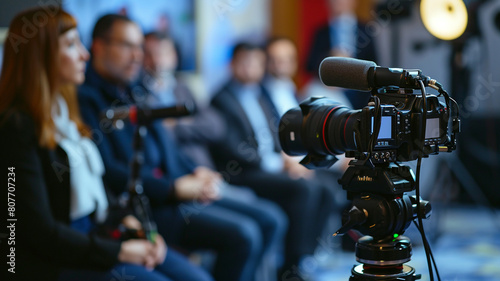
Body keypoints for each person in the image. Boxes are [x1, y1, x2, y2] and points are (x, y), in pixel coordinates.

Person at [0, 7, 212, 281]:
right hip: (57, 260)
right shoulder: (15, 127)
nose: (84, 54)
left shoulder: (65, 113)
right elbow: (36, 232)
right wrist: (118, 251)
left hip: (96, 237)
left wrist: (135, 227)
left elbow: (99, 191)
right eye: (71, 45)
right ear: (40, 55)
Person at [78, 15, 283, 281]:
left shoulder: (133, 90)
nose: (137, 56)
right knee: (244, 234)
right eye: (127, 46)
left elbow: (169, 144)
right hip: (153, 205)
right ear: (98, 45)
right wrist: (174, 188)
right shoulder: (87, 100)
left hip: (177, 192)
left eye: (139, 47)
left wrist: (195, 171)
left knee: (270, 219)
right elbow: (109, 171)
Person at [210, 42, 337, 280]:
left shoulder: (259, 95)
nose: (251, 68)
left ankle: (305, 257)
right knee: (304, 189)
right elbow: (233, 149)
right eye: (245, 62)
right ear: (233, 65)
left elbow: (277, 133)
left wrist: (289, 159)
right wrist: (278, 164)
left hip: (271, 166)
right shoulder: (222, 99)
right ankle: (290, 267)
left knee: (325, 187)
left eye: (257, 62)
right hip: (242, 172)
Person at [305, 0, 378, 109]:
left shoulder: (366, 29)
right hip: (330, 92)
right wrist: (330, 58)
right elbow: (309, 65)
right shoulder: (320, 32)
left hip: (359, 93)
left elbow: (374, 64)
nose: (338, 2)